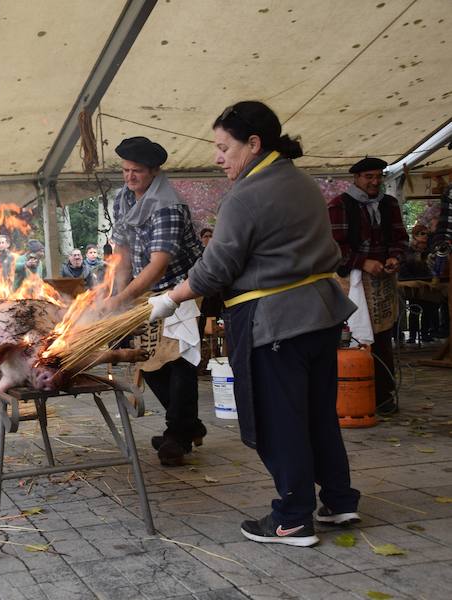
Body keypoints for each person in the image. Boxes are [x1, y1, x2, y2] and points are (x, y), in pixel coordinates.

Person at [158, 101, 360, 547]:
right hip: (321, 315)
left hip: (276, 323)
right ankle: (341, 499)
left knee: (279, 420)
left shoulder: (246, 195)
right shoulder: (301, 181)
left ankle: (291, 519)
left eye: (223, 147)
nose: (218, 158)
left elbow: (215, 269)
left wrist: (170, 299)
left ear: (253, 144)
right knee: (317, 414)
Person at [102, 136, 205, 467]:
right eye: (125, 170)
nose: (130, 177)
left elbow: (159, 263)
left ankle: (177, 434)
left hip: (182, 286)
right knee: (148, 358)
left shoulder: (168, 206)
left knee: (179, 358)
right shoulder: (122, 198)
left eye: (138, 172)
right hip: (146, 287)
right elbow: (122, 251)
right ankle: (187, 425)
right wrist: (117, 295)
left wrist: (124, 295)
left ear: (155, 171)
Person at [327, 157, 408, 414]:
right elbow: (334, 246)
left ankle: (382, 395)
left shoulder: (389, 203)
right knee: (350, 336)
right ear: (357, 178)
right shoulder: (339, 204)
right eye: (369, 177)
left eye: (378, 176)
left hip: (382, 279)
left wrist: (394, 257)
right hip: (350, 279)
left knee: (382, 337)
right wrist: (363, 262)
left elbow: (399, 237)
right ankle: (347, 393)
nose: (375, 182)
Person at [400, 224, 439, 343]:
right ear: (415, 236)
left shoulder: (430, 249)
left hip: (427, 282)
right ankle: (412, 335)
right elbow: (405, 265)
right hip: (412, 282)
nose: (425, 236)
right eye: (422, 234)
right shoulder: (408, 249)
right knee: (414, 310)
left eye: (426, 233)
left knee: (428, 308)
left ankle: (425, 333)